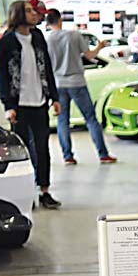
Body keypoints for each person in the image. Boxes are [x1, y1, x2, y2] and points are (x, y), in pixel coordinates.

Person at [0, 0, 62, 208]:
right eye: (29, 11)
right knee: (22, 151)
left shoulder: (38, 37)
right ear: (18, 14)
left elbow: (47, 68)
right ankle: (25, 192)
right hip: (19, 105)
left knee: (43, 148)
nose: (34, 14)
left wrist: (55, 97)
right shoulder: (6, 42)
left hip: (40, 102)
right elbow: (2, 76)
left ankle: (44, 191)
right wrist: (8, 105)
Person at [44, 9, 116, 166]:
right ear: (60, 20)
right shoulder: (74, 35)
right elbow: (89, 56)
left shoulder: (46, 39)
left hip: (58, 84)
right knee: (90, 119)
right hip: (77, 82)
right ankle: (103, 154)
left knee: (62, 121)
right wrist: (99, 47)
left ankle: (67, 156)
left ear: (48, 23)